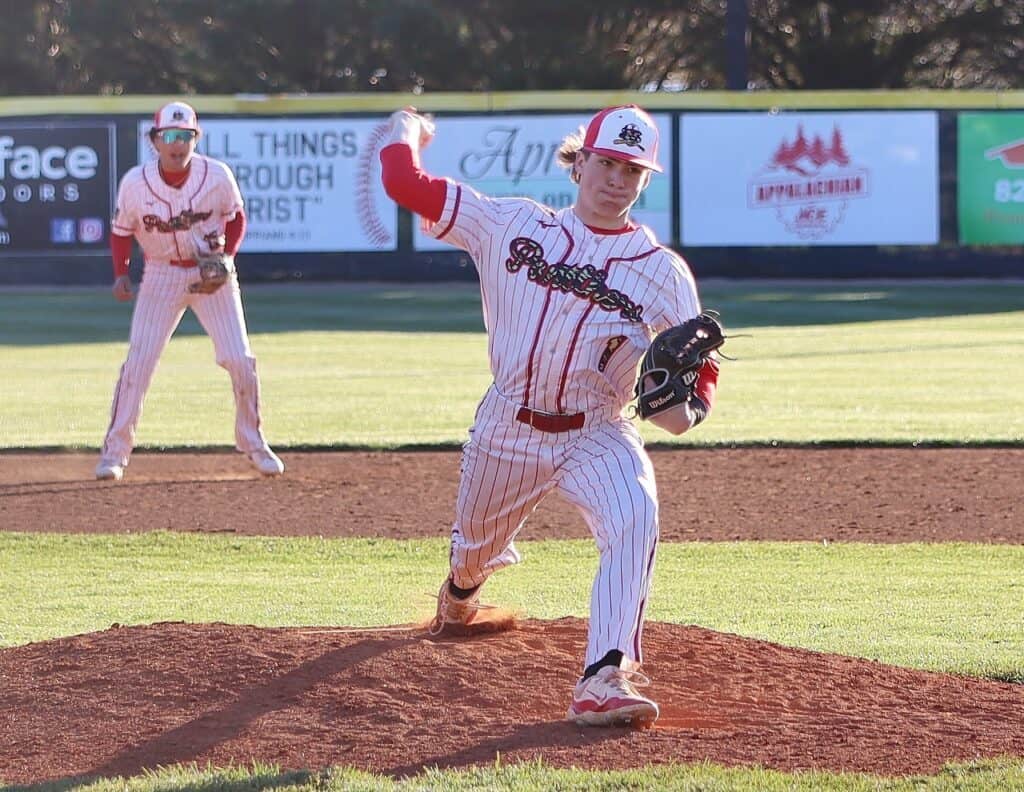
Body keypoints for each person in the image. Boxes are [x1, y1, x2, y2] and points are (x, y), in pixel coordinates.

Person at [379, 105, 720, 727]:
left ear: (647, 179)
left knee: (635, 516)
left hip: (597, 431)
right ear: (579, 161)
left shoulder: (663, 272)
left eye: (632, 169)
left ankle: (605, 676)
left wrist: (683, 407)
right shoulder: (509, 223)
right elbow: (404, 185)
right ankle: (460, 595)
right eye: (607, 162)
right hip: (507, 427)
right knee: (473, 551)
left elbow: (696, 379)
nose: (617, 179)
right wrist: (406, 129)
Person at [95, 100, 284, 481]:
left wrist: (228, 258)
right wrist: (121, 273)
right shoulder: (135, 183)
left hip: (211, 273)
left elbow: (236, 217)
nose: (178, 144)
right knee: (139, 363)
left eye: (185, 136)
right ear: (155, 141)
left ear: (195, 139)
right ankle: (114, 453)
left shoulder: (216, 176)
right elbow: (121, 232)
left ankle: (254, 442)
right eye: (170, 136)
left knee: (239, 359)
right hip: (161, 275)